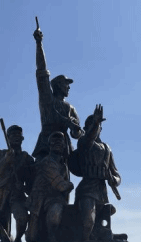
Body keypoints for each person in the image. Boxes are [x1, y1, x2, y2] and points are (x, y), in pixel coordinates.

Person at [31, 26, 82, 162]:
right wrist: (39, 43)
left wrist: (74, 129)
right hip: (45, 147)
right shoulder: (47, 99)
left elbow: (77, 134)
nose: (68, 87)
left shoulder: (70, 108)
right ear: (58, 85)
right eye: (66, 84)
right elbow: (41, 71)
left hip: (63, 150)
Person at [72, 104, 122, 241]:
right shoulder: (83, 142)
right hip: (87, 189)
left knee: (97, 226)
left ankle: (92, 241)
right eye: (91, 126)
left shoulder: (107, 148)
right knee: (88, 221)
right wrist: (95, 123)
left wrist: (114, 180)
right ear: (86, 129)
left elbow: (116, 174)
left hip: (101, 192)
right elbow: (89, 138)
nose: (96, 128)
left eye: (98, 126)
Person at [25, 131, 74, 242]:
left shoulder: (63, 165)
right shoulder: (47, 162)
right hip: (39, 198)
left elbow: (64, 189)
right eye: (54, 141)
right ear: (49, 145)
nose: (57, 143)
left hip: (55, 198)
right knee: (32, 237)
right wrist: (70, 185)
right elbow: (61, 185)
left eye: (60, 141)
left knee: (55, 213)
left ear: (64, 145)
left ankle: (53, 237)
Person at [0, 126, 35, 242]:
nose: (16, 137)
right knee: (0, 222)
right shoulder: (2, 154)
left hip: (17, 195)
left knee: (22, 218)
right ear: (8, 138)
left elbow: (31, 182)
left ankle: (18, 239)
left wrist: (24, 188)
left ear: (22, 138)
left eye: (18, 135)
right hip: (2, 194)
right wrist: (6, 160)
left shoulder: (27, 158)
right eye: (13, 135)